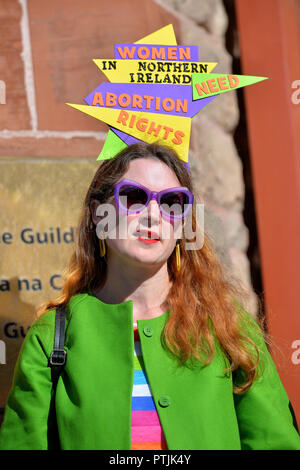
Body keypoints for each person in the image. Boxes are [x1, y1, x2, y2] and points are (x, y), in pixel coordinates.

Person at [0, 143, 299, 450]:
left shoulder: (227, 326)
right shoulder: (51, 336)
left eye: (172, 202)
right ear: (97, 213)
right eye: (133, 197)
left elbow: (274, 443)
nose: (153, 216)